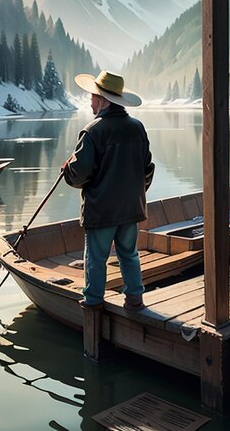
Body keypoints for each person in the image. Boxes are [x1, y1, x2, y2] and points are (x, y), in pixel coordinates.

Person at [62, 70, 155, 311]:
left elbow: (80, 173)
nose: (90, 101)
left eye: (93, 96)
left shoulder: (93, 132)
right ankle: (135, 299)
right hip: (131, 208)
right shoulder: (138, 128)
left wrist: (68, 170)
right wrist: (135, 192)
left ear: (103, 100)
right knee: (129, 255)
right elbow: (147, 168)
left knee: (96, 258)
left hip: (102, 210)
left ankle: (93, 301)